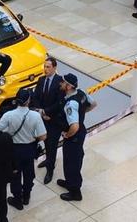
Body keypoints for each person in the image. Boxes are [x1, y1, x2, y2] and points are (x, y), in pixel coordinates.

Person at [0, 88, 46, 210]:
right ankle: (26, 196)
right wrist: (33, 139)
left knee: (15, 175)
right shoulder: (35, 116)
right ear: (28, 101)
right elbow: (43, 136)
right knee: (29, 174)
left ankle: (17, 200)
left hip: (14, 151)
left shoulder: (8, 115)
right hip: (29, 150)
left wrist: (8, 134)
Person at [56, 73, 97, 201]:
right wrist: (81, 114)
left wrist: (67, 135)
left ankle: (75, 192)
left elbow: (74, 126)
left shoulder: (70, 104)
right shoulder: (81, 93)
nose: (60, 84)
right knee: (72, 159)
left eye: (63, 82)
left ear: (68, 86)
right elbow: (93, 104)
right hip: (80, 133)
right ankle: (69, 182)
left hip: (73, 136)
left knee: (72, 163)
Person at [32, 57, 64, 184]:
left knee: (52, 145)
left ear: (55, 68)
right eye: (44, 66)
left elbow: (59, 103)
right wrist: (41, 111)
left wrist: (46, 112)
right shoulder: (41, 80)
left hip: (54, 120)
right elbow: (36, 97)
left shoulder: (60, 82)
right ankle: (48, 159)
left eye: (48, 67)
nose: (45, 69)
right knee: (45, 142)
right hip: (43, 119)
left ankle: (50, 169)